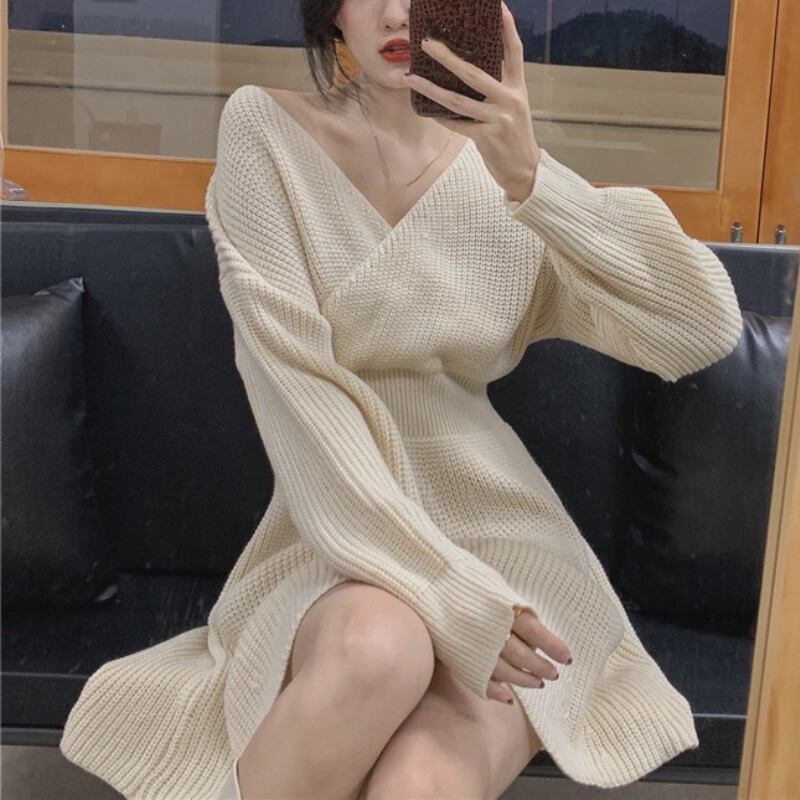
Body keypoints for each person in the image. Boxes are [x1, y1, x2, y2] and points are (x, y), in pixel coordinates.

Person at [59, 2, 743, 798]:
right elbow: (298, 394)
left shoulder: (507, 180)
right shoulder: (266, 133)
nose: (394, 12)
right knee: (380, 648)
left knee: (421, 784)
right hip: (337, 529)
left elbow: (700, 327)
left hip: (503, 542)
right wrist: (444, 591)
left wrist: (533, 176)